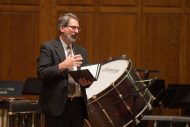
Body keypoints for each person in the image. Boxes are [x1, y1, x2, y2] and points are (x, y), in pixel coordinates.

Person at [37, 13, 91, 127]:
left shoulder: (82, 51)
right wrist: (64, 65)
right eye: (73, 27)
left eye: (78, 28)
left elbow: (85, 78)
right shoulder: (48, 47)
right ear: (62, 28)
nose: (76, 31)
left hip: (77, 105)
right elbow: (42, 73)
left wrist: (86, 82)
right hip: (57, 106)